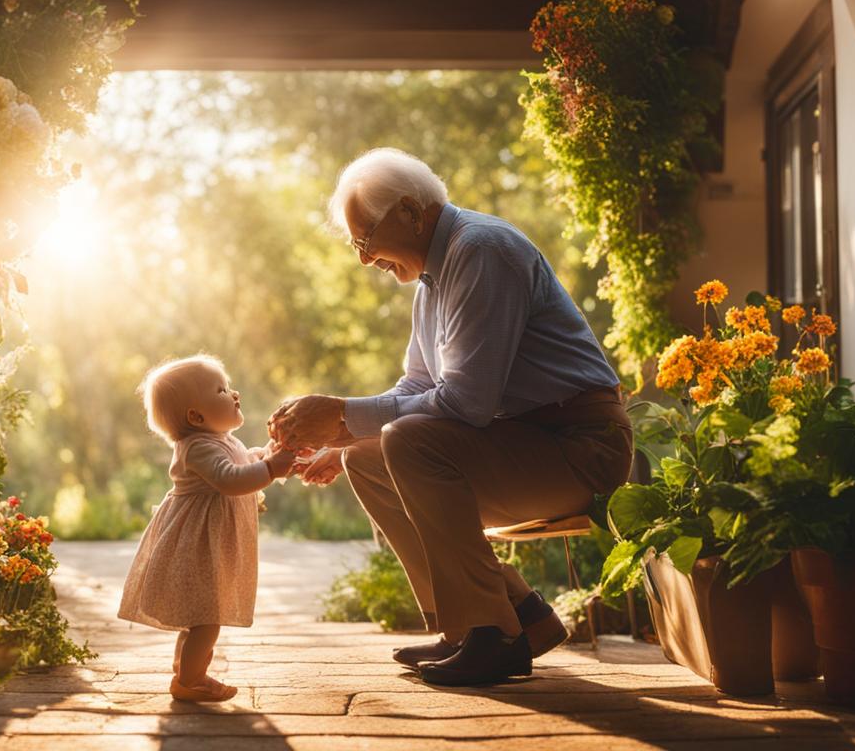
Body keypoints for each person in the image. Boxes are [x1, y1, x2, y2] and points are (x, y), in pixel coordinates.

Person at [273, 148, 633, 686]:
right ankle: (492, 623)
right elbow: (417, 387)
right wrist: (342, 440)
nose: (364, 260)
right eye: (356, 245)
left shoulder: (482, 250)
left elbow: (466, 402)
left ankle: (497, 634)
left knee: (407, 441)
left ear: (411, 213)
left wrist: (344, 414)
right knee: (369, 458)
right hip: (522, 442)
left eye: (364, 241)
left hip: (580, 447)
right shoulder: (432, 279)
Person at [119, 355, 296, 701]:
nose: (234, 394)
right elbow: (231, 479)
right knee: (206, 617)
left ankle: (185, 672)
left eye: (228, 386)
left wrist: (267, 455)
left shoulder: (224, 440)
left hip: (210, 544)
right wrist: (272, 469)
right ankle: (190, 680)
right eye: (221, 390)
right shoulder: (197, 447)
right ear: (196, 417)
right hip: (198, 545)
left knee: (199, 615)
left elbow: (244, 463)